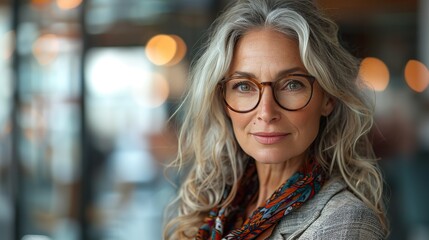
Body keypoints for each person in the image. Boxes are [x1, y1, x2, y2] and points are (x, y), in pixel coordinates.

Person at [164, 0, 388, 239]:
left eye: (292, 84)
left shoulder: (347, 223)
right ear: (223, 99)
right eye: (243, 86)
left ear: (328, 98)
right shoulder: (217, 207)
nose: (266, 111)